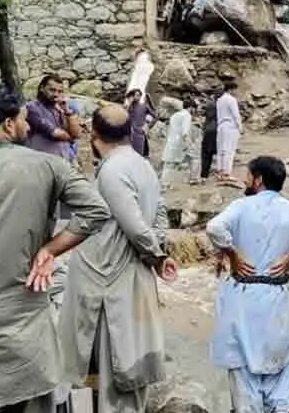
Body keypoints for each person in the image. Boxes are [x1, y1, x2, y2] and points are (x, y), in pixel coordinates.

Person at [0, 81, 109, 413]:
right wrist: (51, 249)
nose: (26, 125)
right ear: (8, 124)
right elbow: (96, 211)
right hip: (24, 346)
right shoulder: (47, 166)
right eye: (22, 119)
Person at [60, 105, 177, 413]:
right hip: (130, 276)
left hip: (111, 282)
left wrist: (157, 255)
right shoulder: (141, 164)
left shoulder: (112, 170)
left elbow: (135, 226)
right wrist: (159, 250)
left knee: (117, 370)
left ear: (94, 136)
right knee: (125, 368)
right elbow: (159, 214)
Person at [206, 156, 289, 413]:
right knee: (278, 368)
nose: (245, 179)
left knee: (243, 366)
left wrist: (232, 253)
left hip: (244, 294)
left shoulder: (241, 206)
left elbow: (214, 227)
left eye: (248, 175)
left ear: (259, 179)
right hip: (277, 294)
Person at [25, 74, 82, 159]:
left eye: (59, 91)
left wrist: (67, 111)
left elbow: (77, 133)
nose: (56, 94)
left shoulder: (61, 108)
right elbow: (56, 134)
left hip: (64, 161)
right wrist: (71, 138)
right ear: (42, 88)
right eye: (52, 90)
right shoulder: (32, 107)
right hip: (44, 162)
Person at [161, 98, 198, 188]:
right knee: (195, 157)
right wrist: (188, 144)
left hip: (172, 141)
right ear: (191, 108)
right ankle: (193, 178)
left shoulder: (175, 115)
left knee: (169, 164)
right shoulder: (187, 115)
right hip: (180, 143)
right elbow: (185, 132)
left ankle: (165, 183)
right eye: (194, 108)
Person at [216, 80, 243, 185]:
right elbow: (236, 114)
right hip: (230, 126)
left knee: (221, 150)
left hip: (221, 125)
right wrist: (240, 127)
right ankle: (227, 173)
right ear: (231, 89)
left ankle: (220, 172)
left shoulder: (219, 100)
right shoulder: (231, 100)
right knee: (229, 150)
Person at [124, 89, 156, 158]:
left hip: (139, 133)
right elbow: (124, 117)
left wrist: (148, 126)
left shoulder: (144, 106)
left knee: (138, 155)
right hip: (129, 134)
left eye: (139, 95)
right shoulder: (128, 107)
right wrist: (129, 104)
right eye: (136, 95)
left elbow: (155, 117)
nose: (138, 97)